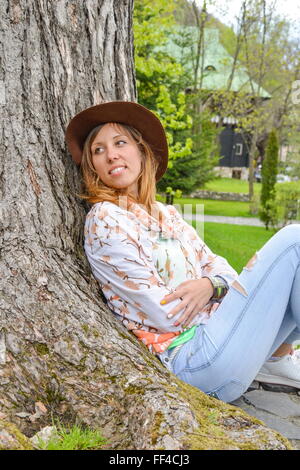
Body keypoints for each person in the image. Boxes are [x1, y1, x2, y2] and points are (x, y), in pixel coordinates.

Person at [65, 101, 300, 403]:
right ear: (92, 165)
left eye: (120, 142)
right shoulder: (107, 219)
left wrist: (208, 286)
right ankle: (273, 358)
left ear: (141, 151)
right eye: (98, 150)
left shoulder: (168, 215)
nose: (111, 154)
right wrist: (226, 299)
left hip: (223, 342)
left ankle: (275, 361)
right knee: (294, 241)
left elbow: (222, 271)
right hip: (193, 360)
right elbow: (166, 314)